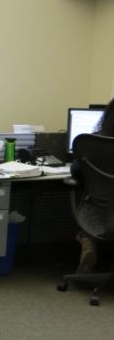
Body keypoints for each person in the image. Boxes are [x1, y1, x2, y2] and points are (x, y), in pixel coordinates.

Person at [71, 99, 114, 272]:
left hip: (97, 212)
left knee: (94, 213)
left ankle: (88, 242)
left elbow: (75, 171)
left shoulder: (94, 142)